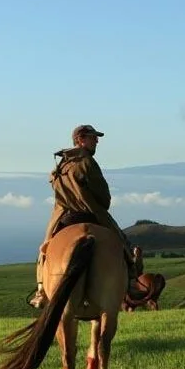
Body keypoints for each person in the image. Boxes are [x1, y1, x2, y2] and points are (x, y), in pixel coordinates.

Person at [28, 124, 148, 308]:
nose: (97, 141)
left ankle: (41, 291)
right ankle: (132, 281)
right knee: (121, 242)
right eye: (93, 137)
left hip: (63, 217)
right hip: (91, 213)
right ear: (80, 139)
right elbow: (104, 197)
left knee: (44, 249)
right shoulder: (87, 162)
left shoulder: (60, 165)